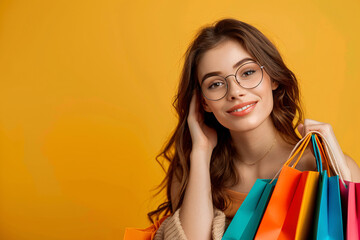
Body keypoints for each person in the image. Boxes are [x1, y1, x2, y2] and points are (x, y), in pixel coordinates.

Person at [148, 18, 360, 240]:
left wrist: (341, 174)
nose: (235, 92)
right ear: (203, 103)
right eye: (216, 84)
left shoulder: (321, 165)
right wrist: (201, 151)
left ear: (273, 78)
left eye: (247, 72)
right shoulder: (192, 170)